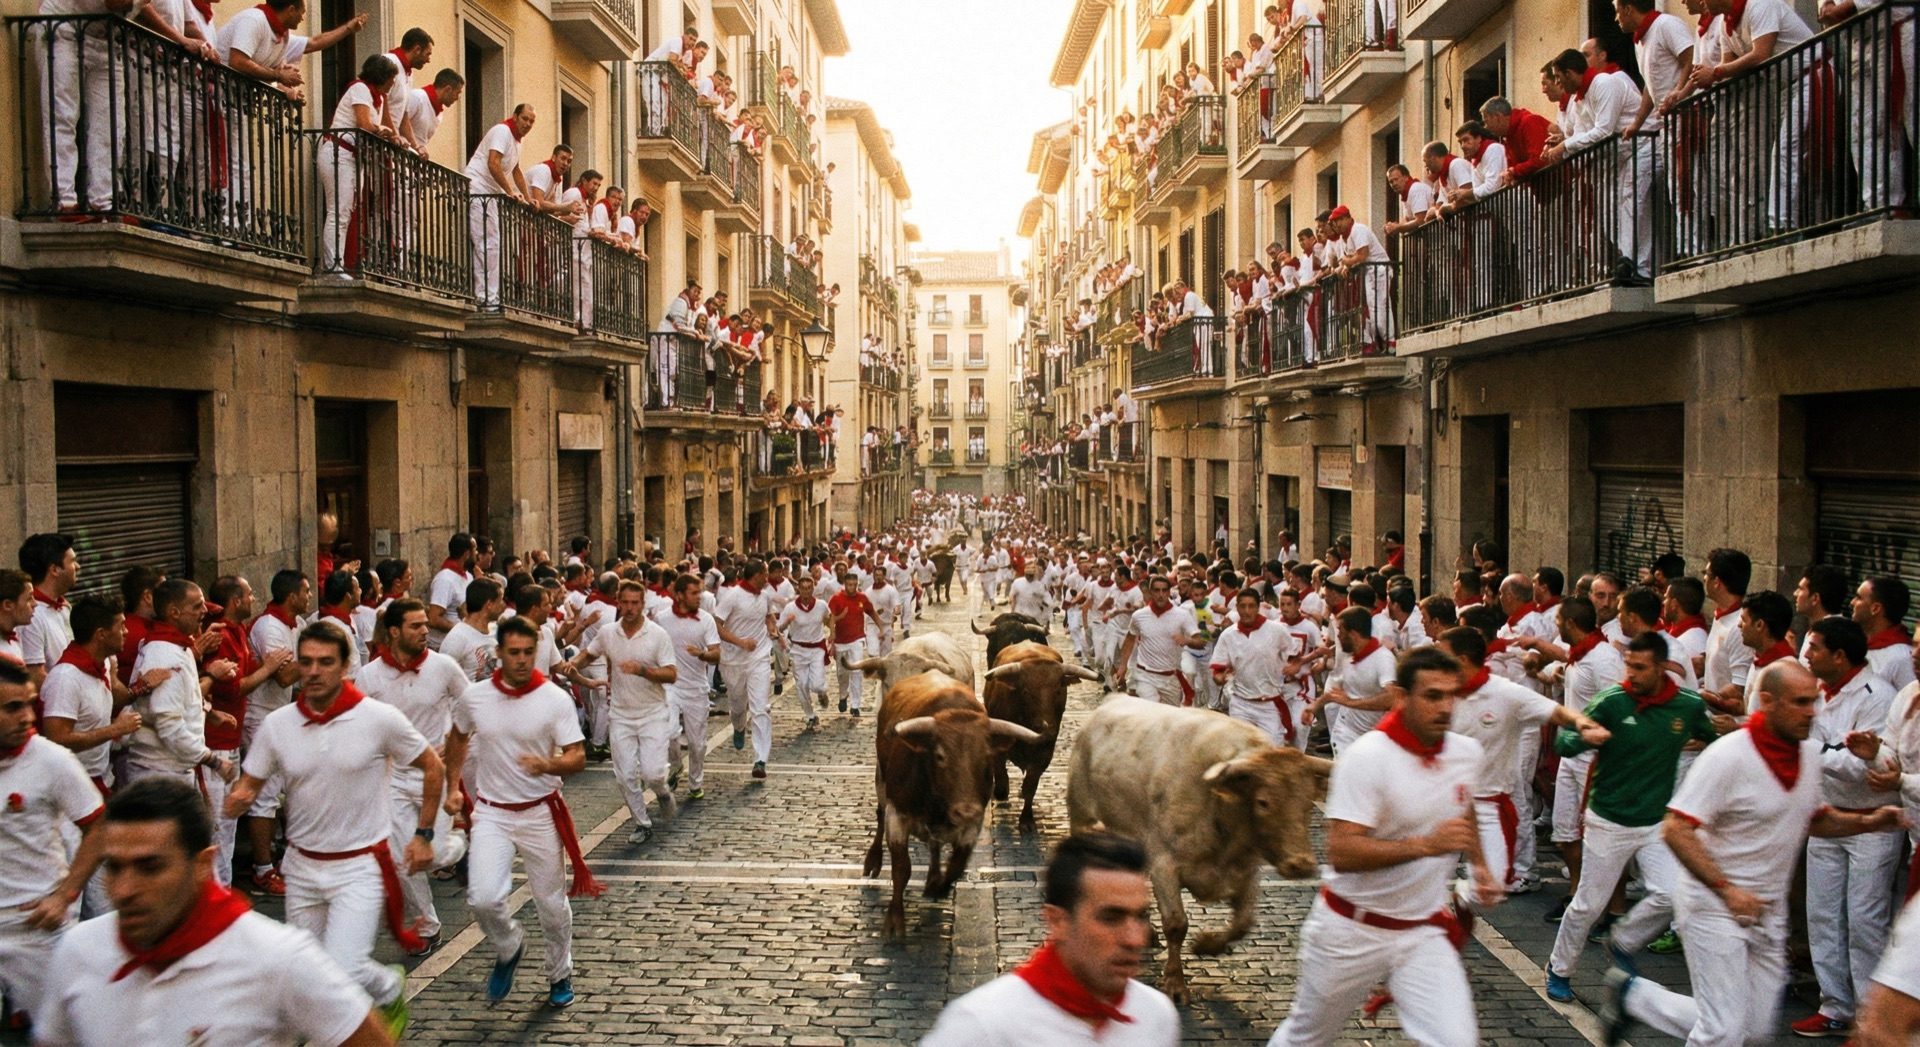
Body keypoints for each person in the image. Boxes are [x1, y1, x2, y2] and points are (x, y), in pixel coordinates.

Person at [1600, 660, 1907, 1045]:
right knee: (1722, 1032)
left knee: (1754, 1031)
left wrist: (1869, 821)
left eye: (1813, 701)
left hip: (1767, 911)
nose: (1811, 711)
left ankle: (1635, 998)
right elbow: (1676, 829)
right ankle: (1639, 999)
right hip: (1713, 905)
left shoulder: (1809, 755)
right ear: (1768, 701)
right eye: (1799, 702)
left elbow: (1814, 818)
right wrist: (1727, 889)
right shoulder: (1728, 755)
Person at [35, 777, 392, 1046]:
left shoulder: (276, 957)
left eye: (151, 867)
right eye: (114, 867)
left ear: (203, 865)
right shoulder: (78, 951)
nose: (125, 889)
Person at [1269, 647, 1498, 1046]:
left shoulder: (1467, 753)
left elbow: (1463, 807)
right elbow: (1342, 852)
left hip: (1422, 934)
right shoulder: (1368, 758)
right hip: (1350, 929)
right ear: (1401, 697)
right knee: (1305, 1038)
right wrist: (1425, 846)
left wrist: (1481, 865)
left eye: (1452, 695)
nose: (1446, 707)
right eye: (1432, 696)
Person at [223, 621, 439, 1035]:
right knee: (309, 976)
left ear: (345, 667)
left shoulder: (378, 719)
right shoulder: (278, 725)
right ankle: (383, 983)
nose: (314, 671)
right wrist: (239, 798)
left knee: (342, 970)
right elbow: (251, 782)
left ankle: (384, 988)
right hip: (302, 868)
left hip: (359, 867)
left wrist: (424, 834)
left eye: (325, 662)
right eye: (305, 662)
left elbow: (431, 764)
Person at [1544, 631, 1721, 1002]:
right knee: (1590, 904)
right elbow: (1564, 742)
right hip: (1609, 818)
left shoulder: (1686, 706)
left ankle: (1622, 941)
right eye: (1629, 665)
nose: (1632, 674)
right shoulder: (1611, 701)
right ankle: (1559, 969)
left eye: (1640, 668)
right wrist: (1583, 736)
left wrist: (1709, 742)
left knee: (1672, 894)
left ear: (1661, 668)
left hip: (1656, 820)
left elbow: (1716, 738)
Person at [443, 615, 601, 1009]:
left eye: (528, 653)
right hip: (492, 813)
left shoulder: (554, 699)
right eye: (513, 653)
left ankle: (559, 972)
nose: (520, 660)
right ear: (498, 653)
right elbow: (458, 737)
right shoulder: (475, 697)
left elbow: (577, 756)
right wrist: (452, 788)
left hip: (539, 813)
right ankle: (509, 944)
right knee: (482, 898)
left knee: (550, 904)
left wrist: (548, 766)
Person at [924, 832, 1180, 1046]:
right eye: (1111, 918)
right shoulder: (981, 1026)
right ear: (1057, 921)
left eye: (1141, 916)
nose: (1135, 939)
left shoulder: (1156, 1015)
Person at [1798, 615, 1903, 1036]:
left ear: (1840, 656)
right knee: (1822, 914)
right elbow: (1834, 756)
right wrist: (1830, 752)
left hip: (1873, 823)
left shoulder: (1879, 696)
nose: (1806, 655)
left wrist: (1817, 751)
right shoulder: (1814, 693)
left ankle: (1869, 1017)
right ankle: (1834, 1004)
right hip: (1826, 815)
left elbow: (1866, 766)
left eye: (1815, 648)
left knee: (1865, 921)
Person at [355, 598, 470, 951]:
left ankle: (459, 846)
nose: (425, 631)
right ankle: (429, 925)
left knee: (431, 854)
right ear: (393, 631)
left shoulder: (445, 667)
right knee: (403, 856)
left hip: (435, 775)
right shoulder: (369, 675)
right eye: (416, 626)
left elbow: (472, 712)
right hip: (392, 776)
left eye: (425, 624)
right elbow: (358, 724)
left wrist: (449, 748)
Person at [0, 657, 109, 1024]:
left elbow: (99, 827)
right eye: (13, 708)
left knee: (57, 1031)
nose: (28, 717)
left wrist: (64, 895)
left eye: (30, 704)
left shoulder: (53, 761)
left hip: (37, 927)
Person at [560, 579, 678, 846]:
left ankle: (662, 791)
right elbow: (590, 654)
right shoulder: (609, 632)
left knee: (653, 773)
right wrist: (574, 663)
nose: (629, 608)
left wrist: (643, 670)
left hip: (652, 713)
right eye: (624, 602)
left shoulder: (657, 635)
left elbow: (671, 673)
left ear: (643, 604)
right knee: (624, 775)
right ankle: (642, 822)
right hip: (621, 715)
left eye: (634, 603)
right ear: (618, 602)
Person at [1209, 589, 1302, 747]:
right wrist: (1220, 678)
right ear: (1236, 608)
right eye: (1243, 606)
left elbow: (1295, 655)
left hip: (1269, 703)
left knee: (1273, 750)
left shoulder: (1276, 630)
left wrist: (1294, 667)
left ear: (1258, 607)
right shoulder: (1228, 635)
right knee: (1239, 748)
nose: (1247, 611)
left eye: (1251, 606)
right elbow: (1217, 671)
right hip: (1240, 703)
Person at [466, 105, 536, 308]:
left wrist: (526, 196)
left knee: (492, 245)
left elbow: (516, 170)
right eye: (525, 119)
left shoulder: (516, 142)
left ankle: (490, 296)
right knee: (484, 243)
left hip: (491, 194)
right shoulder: (502, 131)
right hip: (478, 189)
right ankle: (484, 296)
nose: (528, 124)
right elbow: (493, 163)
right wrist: (509, 191)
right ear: (515, 117)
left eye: (532, 121)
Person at [777, 572, 832, 730]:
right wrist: (786, 623)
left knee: (816, 685)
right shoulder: (790, 607)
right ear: (798, 589)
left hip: (816, 649)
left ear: (813, 589)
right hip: (799, 650)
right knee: (802, 685)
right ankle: (810, 715)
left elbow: (829, 619)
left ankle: (822, 692)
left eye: (809, 588)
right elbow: (779, 628)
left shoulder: (821, 605)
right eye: (803, 588)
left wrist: (834, 636)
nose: (806, 592)